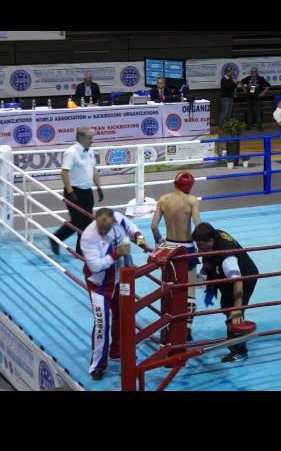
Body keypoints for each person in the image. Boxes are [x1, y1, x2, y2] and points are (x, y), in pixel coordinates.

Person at [80, 207, 148, 380]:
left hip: (120, 280)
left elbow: (131, 227)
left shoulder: (118, 218)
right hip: (99, 285)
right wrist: (117, 254)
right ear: (95, 221)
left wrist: (139, 238)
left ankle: (117, 351)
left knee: (123, 316)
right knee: (102, 323)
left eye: (107, 228)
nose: (104, 231)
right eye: (101, 228)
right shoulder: (88, 237)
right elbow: (95, 266)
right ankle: (97, 366)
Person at [192, 222, 259, 363]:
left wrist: (237, 308)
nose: (198, 248)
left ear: (210, 241)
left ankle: (239, 352)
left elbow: (238, 281)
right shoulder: (212, 235)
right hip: (229, 276)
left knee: (232, 313)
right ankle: (238, 338)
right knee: (226, 306)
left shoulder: (228, 259)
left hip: (245, 278)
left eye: (200, 245)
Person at [150, 171, 202, 341]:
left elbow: (153, 226)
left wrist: (159, 242)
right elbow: (198, 227)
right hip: (186, 248)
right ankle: (186, 329)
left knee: (169, 289)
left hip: (169, 248)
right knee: (190, 291)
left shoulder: (163, 199)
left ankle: (168, 326)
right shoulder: (191, 200)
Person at [50, 127, 103, 256]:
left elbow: (94, 170)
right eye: (89, 138)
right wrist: (71, 192)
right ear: (81, 138)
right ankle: (56, 239)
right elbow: (64, 173)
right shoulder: (71, 152)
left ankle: (80, 249)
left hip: (87, 191)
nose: (92, 141)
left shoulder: (90, 150)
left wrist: (99, 187)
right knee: (78, 222)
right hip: (74, 191)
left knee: (87, 222)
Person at [240, 67, 271, 131]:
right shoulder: (248, 78)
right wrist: (244, 89)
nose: (253, 73)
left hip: (257, 98)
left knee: (258, 112)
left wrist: (263, 93)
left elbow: (268, 85)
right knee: (249, 112)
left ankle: (259, 126)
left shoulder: (260, 79)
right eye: (252, 72)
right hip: (249, 97)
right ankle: (249, 126)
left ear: (257, 72)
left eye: (254, 71)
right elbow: (241, 82)